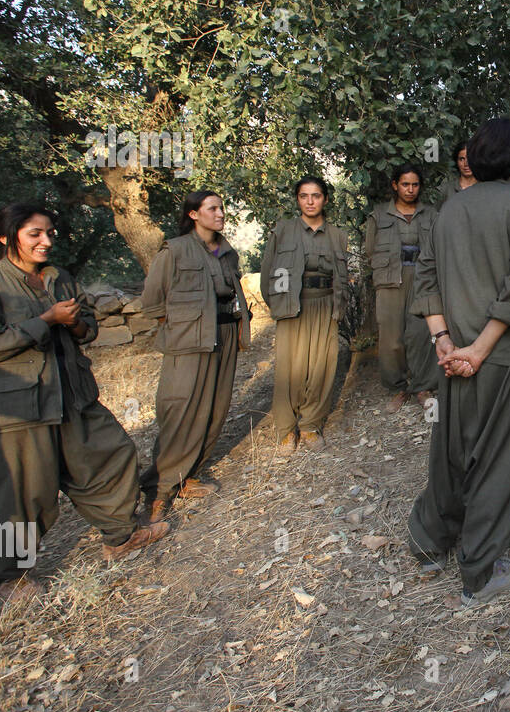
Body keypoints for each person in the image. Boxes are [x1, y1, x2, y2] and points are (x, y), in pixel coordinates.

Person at [0, 204, 168, 601]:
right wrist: (45, 320)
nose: (46, 241)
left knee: (110, 455)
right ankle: (7, 577)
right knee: (18, 491)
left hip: (71, 394)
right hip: (14, 407)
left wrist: (72, 323)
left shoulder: (58, 277)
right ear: (6, 237)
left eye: (50, 232)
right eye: (35, 234)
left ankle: (120, 536)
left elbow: (87, 329)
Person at [407, 117, 510, 606]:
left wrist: (444, 341)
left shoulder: (450, 209)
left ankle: (430, 543)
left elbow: (424, 276)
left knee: (452, 449)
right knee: (502, 458)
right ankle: (481, 570)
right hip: (508, 357)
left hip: (455, 356)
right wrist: (479, 350)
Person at [139, 191, 250, 522]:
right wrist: (183, 328)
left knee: (215, 409)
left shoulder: (227, 252)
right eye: (212, 208)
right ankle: (158, 490)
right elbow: (153, 303)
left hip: (226, 334)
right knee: (182, 410)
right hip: (189, 341)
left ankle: (188, 476)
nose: (220, 213)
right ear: (193, 214)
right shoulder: (174, 251)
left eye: (222, 207)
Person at [260, 175, 350, 454]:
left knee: (322, 367)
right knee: (291, 367)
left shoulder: (337, 235)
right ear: (297, 199)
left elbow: (342, 276)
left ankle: (311, 424)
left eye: (316, 196)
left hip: (325, 305)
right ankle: (286, 429)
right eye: (304, 196)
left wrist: (339, 307)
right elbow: (267, 275)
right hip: (293, 307)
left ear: (325, 199)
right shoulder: (283, 231)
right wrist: (280, 306)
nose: (310, 201)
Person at [364, 165, 442, 413]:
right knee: (391, 338)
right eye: (405, 184)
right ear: (395, 185)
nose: (410, 189)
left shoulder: (431, 214)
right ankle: (397, 387)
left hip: (423, 278)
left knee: (421, 334)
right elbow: (369, 251)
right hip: (390, 280)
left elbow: (441, 246)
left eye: (415, 184)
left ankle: (423, 386)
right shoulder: (378, 216)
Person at [437, 140, 476, 205]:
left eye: (470, 158)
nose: (466, 164)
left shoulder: (485, 188)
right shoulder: (446, 189)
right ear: (456, 162)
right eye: (462, 159)